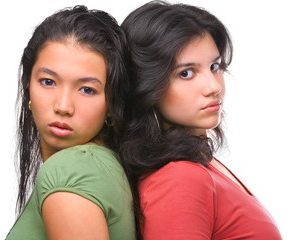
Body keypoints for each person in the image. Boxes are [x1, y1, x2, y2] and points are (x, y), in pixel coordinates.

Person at [120, 1, 282, 239]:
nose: (213, 86)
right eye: (186, 73)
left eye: (215, 66)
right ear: (146, 86)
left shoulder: (200, 161)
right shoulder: (178, 179)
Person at [6, 5, 135, 240]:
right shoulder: (103, 164)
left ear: (111, 104)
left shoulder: (69, 172)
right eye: (48, 82)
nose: (63, 106)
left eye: (87, 89)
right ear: (28, 85)